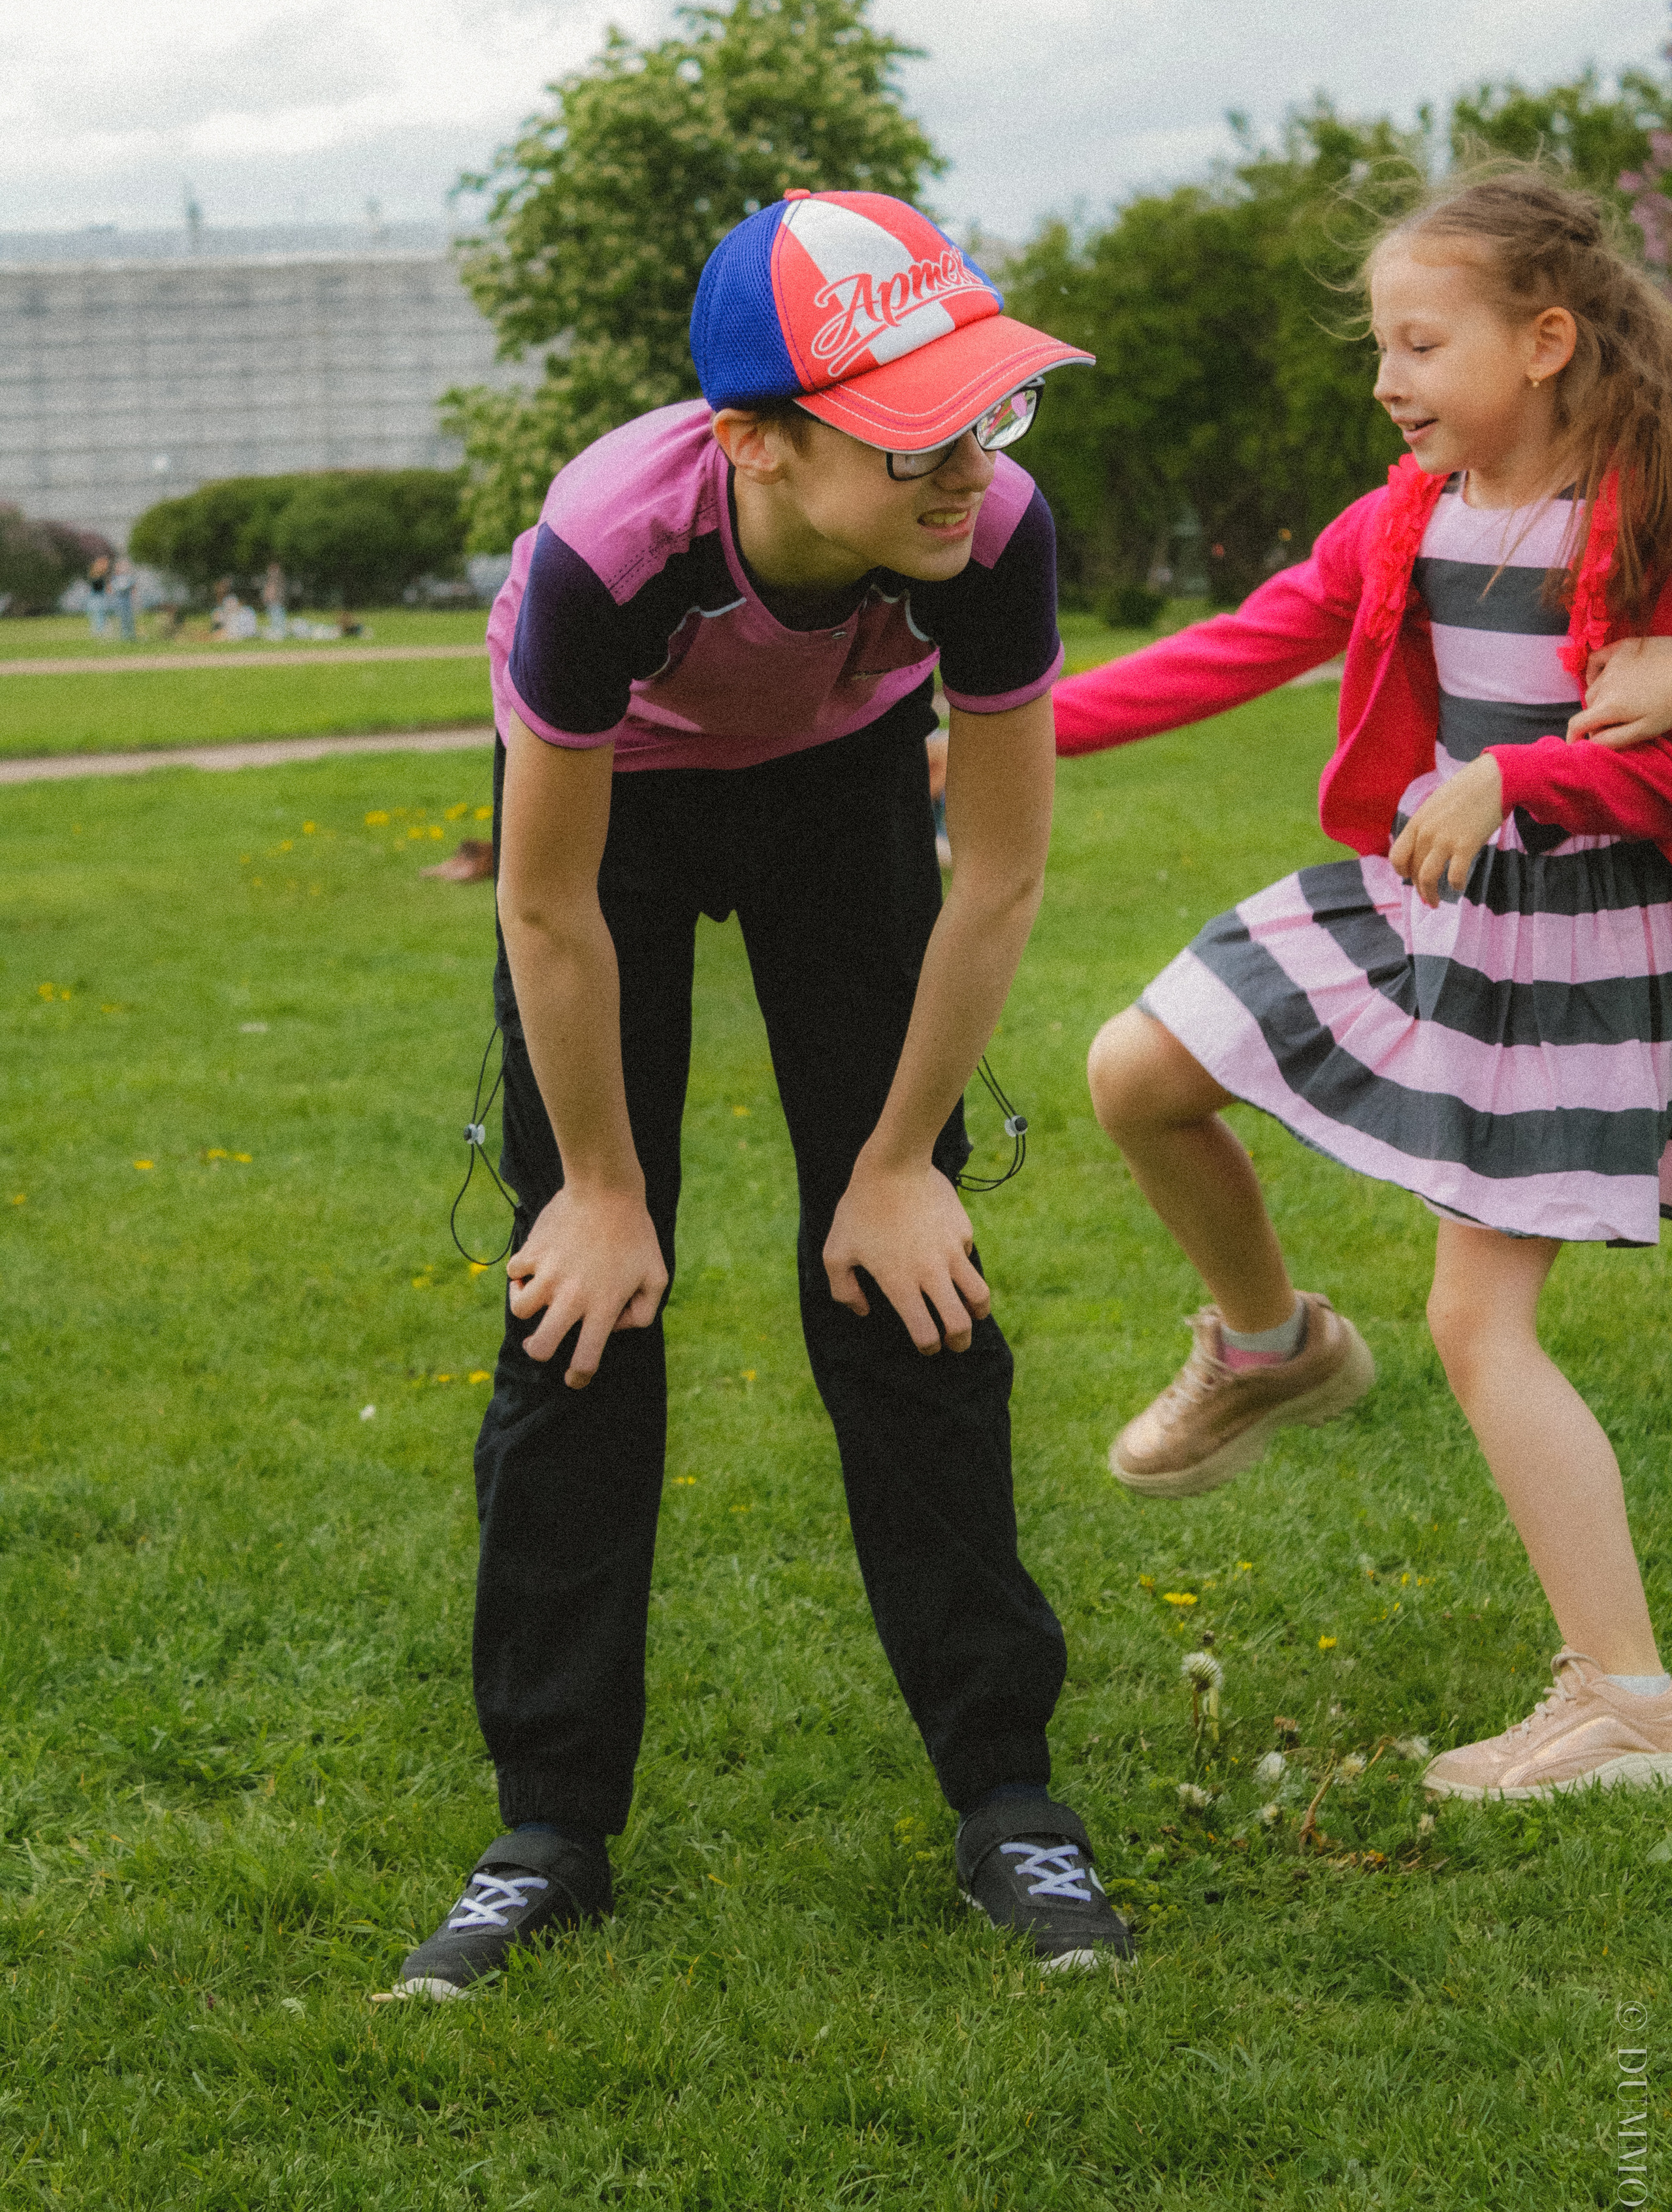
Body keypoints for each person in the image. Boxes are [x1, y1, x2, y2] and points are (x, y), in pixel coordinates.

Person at [392, 187, 1133, 1998]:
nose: (964, 466)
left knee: (909, 1279)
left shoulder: (998, 529)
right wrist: (602, 1187)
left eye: (983, 410)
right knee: (581, 1311)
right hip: (617, 819)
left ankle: (1008, 1795)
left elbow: (1002, 875)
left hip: (840, 794)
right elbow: (548, 897)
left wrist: (895, 1162)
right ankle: (546, 1828)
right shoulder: (607, 551)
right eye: (908, 433)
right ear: (757, 442)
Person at [1056, 169, 1672, 1806]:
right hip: (1436, 896)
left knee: (1476, 1319)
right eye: (1379, 348)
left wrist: (1528, 774)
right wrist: (994, 729)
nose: (1386, 380)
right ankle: (1265, 1345)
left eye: (1419, 341)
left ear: (1543, 339)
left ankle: (1623, 1701)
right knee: (1135, 1070)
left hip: (1584, 935)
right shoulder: (1407, 512)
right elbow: (1242, 640)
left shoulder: (1642, 506)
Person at [85, 553, 111, 638]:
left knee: (101, 615)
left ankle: (100, 630)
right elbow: (101, 587)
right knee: (98, 615)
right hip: (97, 598)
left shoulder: (99, 575)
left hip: (100, 597)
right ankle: (99, 631)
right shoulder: (97, 575)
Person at [261, 562, 287, 641]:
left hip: (276, 603)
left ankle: (279, 634)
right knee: (274, 619)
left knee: (277, 619)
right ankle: (277, 633)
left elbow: (275, 592)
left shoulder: (278, 580)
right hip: (272, 604)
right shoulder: (272, 580)